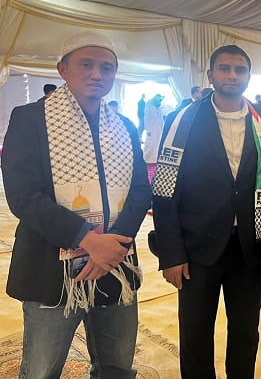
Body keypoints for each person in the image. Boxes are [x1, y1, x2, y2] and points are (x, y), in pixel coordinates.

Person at [2, 32, 151, 378]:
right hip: (51, 270)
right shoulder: (30, 119)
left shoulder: (124, 126)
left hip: (115, 265)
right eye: (86, 64)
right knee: (42, 370)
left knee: (116, 367)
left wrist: (111, 246)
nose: (97, 74)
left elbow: (140, 190)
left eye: (107, 67)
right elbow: (24, 195)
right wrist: (87, 239)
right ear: (63, 69)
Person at [152, 44, 261, 379]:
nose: (232, 76)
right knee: (195, 335)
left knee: (246, 333)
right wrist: (171, 254)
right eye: (224, 69)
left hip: (250, 247)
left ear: (248, 76)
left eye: (240, 70)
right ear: (210, 75)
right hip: (196, 249)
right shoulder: (183, 121)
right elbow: (164, 191)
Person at [142, 94, 164, 181]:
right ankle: (147, 161)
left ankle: (154, 161)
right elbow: (146, 120)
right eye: (159, 101)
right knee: (150, 147)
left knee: (157, 148)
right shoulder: (149, 109)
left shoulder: (158, 109)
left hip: (158, 132)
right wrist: (148, 130)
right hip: (151, 133)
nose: (160, 102)